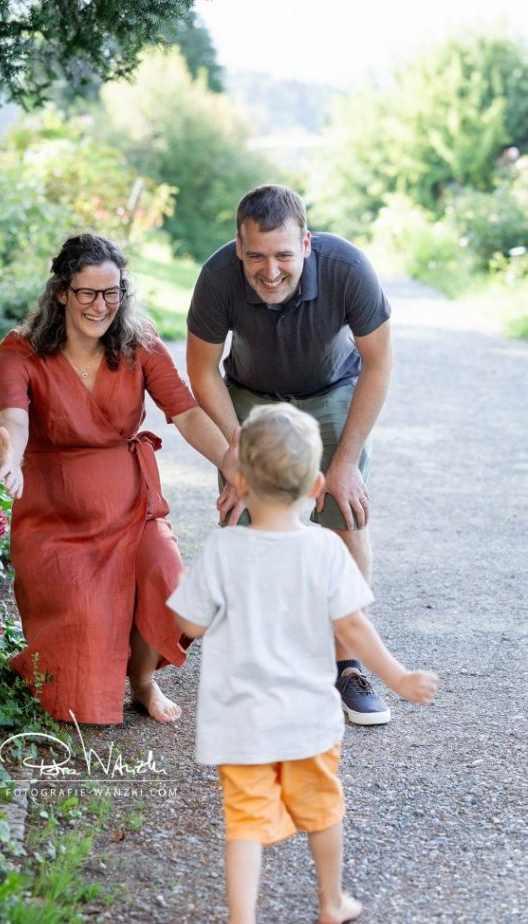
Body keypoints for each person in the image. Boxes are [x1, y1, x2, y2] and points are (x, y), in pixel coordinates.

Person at [167, 404, 438, 924]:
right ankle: (330, 901)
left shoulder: (222, 550)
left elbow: (188, 626)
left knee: (244, 822)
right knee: (321, 809)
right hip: (307, 720)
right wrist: (398, 678)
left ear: (239, 482)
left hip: (238, 721)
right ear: (318, 489)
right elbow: (353, 628)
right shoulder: (323, 551)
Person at [0, 233, 234, 726]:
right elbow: (14, 417)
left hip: (131, 505)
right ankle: (59, 665)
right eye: (87, 293)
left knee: (166, 578)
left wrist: (231, 460)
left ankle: (143, 681)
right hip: (55, 513)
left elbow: (185, 413)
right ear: (61, 292)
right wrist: (10, 456)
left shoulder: (138, 342)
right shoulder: (21, 350)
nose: (100, 306)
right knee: (81, 664)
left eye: (111, 292)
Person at [186, 184, 393, 726]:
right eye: (256, 256)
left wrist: (344, 463)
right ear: (238, 248)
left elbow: (378, 364)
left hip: (331, 389)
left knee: (345, 514)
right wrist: (234, 448)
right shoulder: (217, 278)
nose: (270, 270)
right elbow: (202, 369)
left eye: (282, 255)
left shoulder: (348, 268)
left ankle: (346, 662)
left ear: (305, 243)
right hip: (251, 395)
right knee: (243, 516)